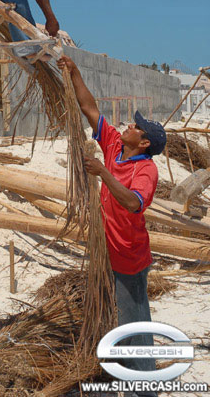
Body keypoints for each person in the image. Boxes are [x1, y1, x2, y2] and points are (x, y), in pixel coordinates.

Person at [57, 54, 167, 397]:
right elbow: (90, 108)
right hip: (108, 251)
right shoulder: (115, 146)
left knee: (134, 325)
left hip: (130, 258)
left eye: (136, 127)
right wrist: (74, 73)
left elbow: (134, 203)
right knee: (121, 321)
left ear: (144, 143)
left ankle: (144, 388)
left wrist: (103, 173)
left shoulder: (146, 170)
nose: (129, 126)